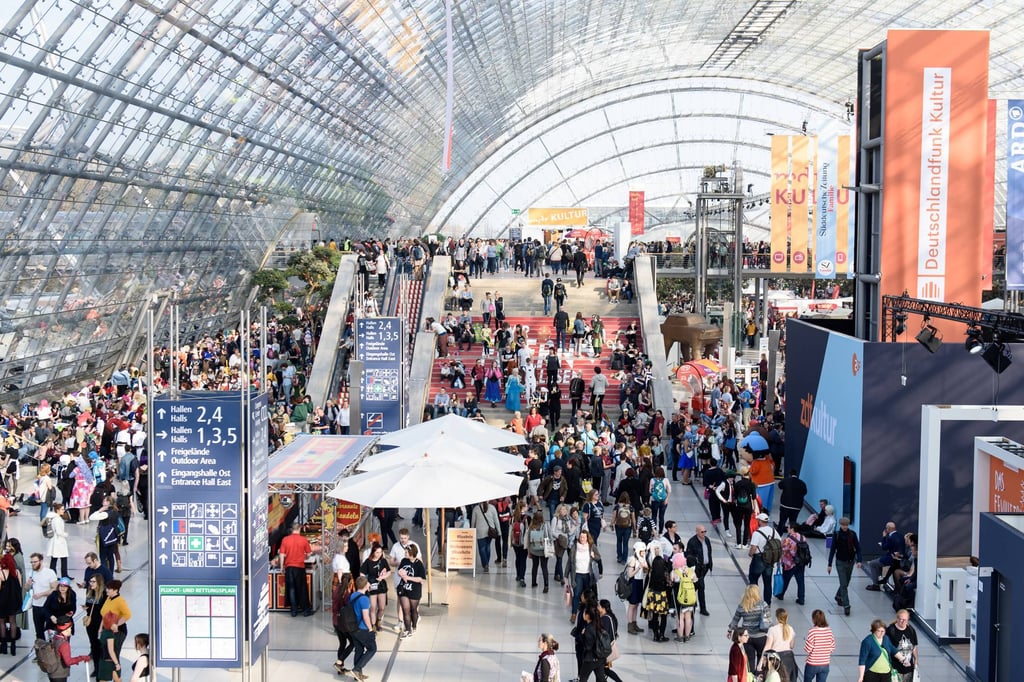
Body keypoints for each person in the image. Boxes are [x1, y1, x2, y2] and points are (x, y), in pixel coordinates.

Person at [727, 584, 770, 673]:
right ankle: (759, 676)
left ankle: (750, 677)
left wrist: (730, 630)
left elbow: (735, 620)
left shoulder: (742, 606)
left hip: (747, 637)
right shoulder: (763, 604)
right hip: (761, 636)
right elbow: (769, 620)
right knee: (761, 659)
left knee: (749, 660)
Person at [826, 516, 862, 616]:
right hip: (840, 562)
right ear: (840, 525)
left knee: (846, 582)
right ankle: (847, 605)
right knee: (843, 584)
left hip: (850, 561)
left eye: (846, 525)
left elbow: (858, 548)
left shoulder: (852, 534)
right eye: (843, 525)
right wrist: (829, 564)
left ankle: (838, 595)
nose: (845, 527)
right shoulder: (837, 535)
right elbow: (833, 550)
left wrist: (859, 560)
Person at [278, 523, 315, 617]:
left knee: (291, 589)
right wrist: (305, 556)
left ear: (291, 529)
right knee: (302, 589)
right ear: (299, 529)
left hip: (289, 567)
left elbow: (281, 555)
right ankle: (305, 610)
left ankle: (293, 610)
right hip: (300, 567)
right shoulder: (303, 540)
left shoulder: (285, 539)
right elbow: (309, 553)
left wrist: (282, 567)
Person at [565, 531, 602, 622]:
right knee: (577, 594)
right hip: (577, 574)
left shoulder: (591, 546)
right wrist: (565, 575)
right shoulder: (574, 547)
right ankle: (574, 614)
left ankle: (588, 614)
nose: (582, 539)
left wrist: (593, 556)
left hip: (588, 574)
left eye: (584, 537)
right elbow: (570, 561)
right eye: (581, 537)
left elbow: (598, 557)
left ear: (587, 538)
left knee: (588, 595)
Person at [749, 512, 781, 606]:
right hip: (770, 560)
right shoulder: (774, 531)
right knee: (767, 582)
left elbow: (754, 547)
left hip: (759, 559)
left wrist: (750, 554)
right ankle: (767, 603)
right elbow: (780, 542)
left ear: (759, 521)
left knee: (753, 580)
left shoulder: (757, 533)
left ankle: (754, 601)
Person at [349, 576, 377, 681]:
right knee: (372, 649)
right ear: (366, 585)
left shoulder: (353, 595)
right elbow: (365, 616)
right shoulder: (364, 599)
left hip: (353, 627)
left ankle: (358, 675)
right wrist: (370, 629)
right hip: (362, 628)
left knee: (359, 650)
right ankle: (357, 669)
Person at [47, 616, 91, 682]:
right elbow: (68, 661)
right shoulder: (64, 644)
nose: (70, 630)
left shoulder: (55, 638)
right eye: (70, 628)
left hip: (52, 673)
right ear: (66, 629)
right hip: (60, 675)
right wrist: (81, 658)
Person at [27, 551, 59, 640]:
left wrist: (42, 594)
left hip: (47, 606)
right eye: (31, 562)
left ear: (41, 561)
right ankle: (41, 651)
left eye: (35, 562)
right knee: (39, 631)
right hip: (36, 606)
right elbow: (26, 588)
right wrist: (28, 584)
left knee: (51, 630)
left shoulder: (49, 573)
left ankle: (52, 650)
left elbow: (55, 589)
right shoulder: (31, 573)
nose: (33, 564)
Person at [866, 521, 906, 591]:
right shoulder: (901, 535)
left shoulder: (891, 537)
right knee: (877, 562)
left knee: (872, 563)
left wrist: (884, 537)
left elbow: (884, 547)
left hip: (891, 558)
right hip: (898, 558)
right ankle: (879, 579)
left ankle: (876, 584)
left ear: (888, 529)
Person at [396, 544, 425, 638]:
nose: (405, 553)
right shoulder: (404, 561)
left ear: (412, 553)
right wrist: (401, 573)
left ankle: (414, 625)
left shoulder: (419, 564)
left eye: (406, 552)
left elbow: (421, 579)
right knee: (405, 610)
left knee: (413, 610)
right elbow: (399, 570)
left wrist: (408, 577)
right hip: (404, 588)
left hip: (414, 590)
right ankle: (408, 629)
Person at [643, 541, 671, 642]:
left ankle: (655, 634)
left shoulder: (652, 573)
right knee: (663, 616)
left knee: (654, 615)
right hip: (662, 595)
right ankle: (662, 634)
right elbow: (670, 583)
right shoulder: (665, 573)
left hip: (653, 594)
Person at [360, 543, 391, 632]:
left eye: (380, 552)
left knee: (382, 607)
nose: (379, 554)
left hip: (381, 585)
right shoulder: (368, 562)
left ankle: (379, 620)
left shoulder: (383, 561)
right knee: (373, 607)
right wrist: (367, 583)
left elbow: (388, 571)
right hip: (372, 584)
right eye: (377, 552)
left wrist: (383, 577)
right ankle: (373, 624)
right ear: (373, 552)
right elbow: (362, 572)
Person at [99, 579, 131, 659]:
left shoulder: (120, 601)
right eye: (106, 588)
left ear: (115, 590)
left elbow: (127, 614)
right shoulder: (108, 598)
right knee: (105, 653)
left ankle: (115, 669)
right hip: (107, 630)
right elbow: (104, 614)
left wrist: (116, 624)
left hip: (118, 631)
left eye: (109, 589)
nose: (107, 590)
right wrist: (100, 628)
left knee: (113, 654)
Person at [685, 524, 713, 616]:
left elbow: (709, 552)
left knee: (697, 586)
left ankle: (694, 602)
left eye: (705, 531)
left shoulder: (707, 540)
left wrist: (709, 564)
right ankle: (701, 607)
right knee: (700, 586)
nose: (704, 533)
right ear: (697, 532)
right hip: (697, 569)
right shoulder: (692, 542)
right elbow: (688, 556)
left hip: (705, 567)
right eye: (702, 532)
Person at [763, 607, 798, 681]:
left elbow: (767, 646)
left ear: (776, 618)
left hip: (776, 658)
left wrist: (761, 661)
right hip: (789, 658)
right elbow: (792, 646)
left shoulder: (772, 630)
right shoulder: (790, 629)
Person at [884, 610, 918, 682]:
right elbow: (887, 648)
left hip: (909, 670)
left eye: (905, 620)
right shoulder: (890, 630)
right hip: (895, 669)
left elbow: (914, 647)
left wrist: (916, 660)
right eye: (901, 619)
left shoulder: (911, 630)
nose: (903, 622)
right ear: (897, 619)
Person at [777, 521, 806, 605]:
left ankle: (781, 594)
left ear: (792, 529)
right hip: (800, 562)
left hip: (789, 563)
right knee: (800, 581)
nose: (787, 528)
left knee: (785, 579)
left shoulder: (788, 539)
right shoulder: (803, 537)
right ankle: (801, 598)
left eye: (788, 527)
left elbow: (783, 549)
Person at [803, 609, 836, 682]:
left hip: (812, 663)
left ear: (814, 619)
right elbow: (832, 648)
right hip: (825, 663)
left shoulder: (812, 631)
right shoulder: (829, 631)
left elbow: (808, 649)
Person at [83, 572, 107, 671]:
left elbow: (105, 611)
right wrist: (86, 608)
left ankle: (102, 668)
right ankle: (96, 669)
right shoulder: (89, 592)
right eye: (90, 581)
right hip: (90, 623)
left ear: (99, 582)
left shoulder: (104, 595)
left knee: (100, 646)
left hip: (100, 623)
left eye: (93, 582)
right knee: (93, 645)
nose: (91, 583)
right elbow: (88, 606)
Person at [578, 605, 609, 681]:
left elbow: (587, 646)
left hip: (590, 659)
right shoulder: (599, 625)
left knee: (583, 678)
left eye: (584, 613)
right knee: (601, 677)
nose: (583, 614)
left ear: (588, 616)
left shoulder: (589, 629)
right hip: (600, 657)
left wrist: (582, 636)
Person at [670, 553, 697, 642]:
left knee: (680, 618)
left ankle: (680, 637)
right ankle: (687, 636)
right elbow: (695, 580)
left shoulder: (674, 572)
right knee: (688, 617)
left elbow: (671, 581)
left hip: (679, 597)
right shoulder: (690, 571)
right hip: (690, 597)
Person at [0, 553, 22, 655]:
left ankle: (4, 645)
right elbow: (20, 586)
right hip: (13, 601)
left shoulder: (1, 572)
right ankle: (13, 646)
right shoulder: (17, 572)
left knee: (2, 622)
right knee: (13, 622)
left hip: (3, 600)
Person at [624, 542, 647, 635]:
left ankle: (634, 623)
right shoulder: (633, 560)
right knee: (632, 605)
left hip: (640, 582)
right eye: (642, 551)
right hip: (633, 583)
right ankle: (630, 624)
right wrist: (638, 568)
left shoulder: (642, 558)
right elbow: (630, 574)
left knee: (636, 604)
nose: (644, 552)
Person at [471, 500, 500, 573]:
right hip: (490, 531)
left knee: (482, 548)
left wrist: (472, 531)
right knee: (487, 547)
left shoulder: (476, 509)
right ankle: (486, 562)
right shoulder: (492, 508)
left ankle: (485, 564)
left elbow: (473, 522)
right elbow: (496, 520)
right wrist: (499, 531)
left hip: (480, 531)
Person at [526, 511, 550, 593]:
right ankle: (546, 585)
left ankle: (533, 582)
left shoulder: (531, 527)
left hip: (534, 550)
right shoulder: (545, 525)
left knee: (534, 566)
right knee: (544, 567)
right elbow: (549, 536)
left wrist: (529, 551)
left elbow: (529, 540)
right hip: (544, 550)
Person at [98, 611, 121, 682]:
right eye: (115, 623)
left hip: (103, 661)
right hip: (110, 663)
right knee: (117, 680)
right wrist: (117, 663)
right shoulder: (110, 635)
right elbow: (111, 651)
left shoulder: (104, 632)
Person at [648, 466, 670, 532]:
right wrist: (667, 499)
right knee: (661, 517)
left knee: (654, 516)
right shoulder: (666, 480)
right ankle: (660, 531)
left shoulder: (652, 480)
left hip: (654, 500)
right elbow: (669, 490)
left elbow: (650, 491)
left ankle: (654, 530)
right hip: (663, 500)